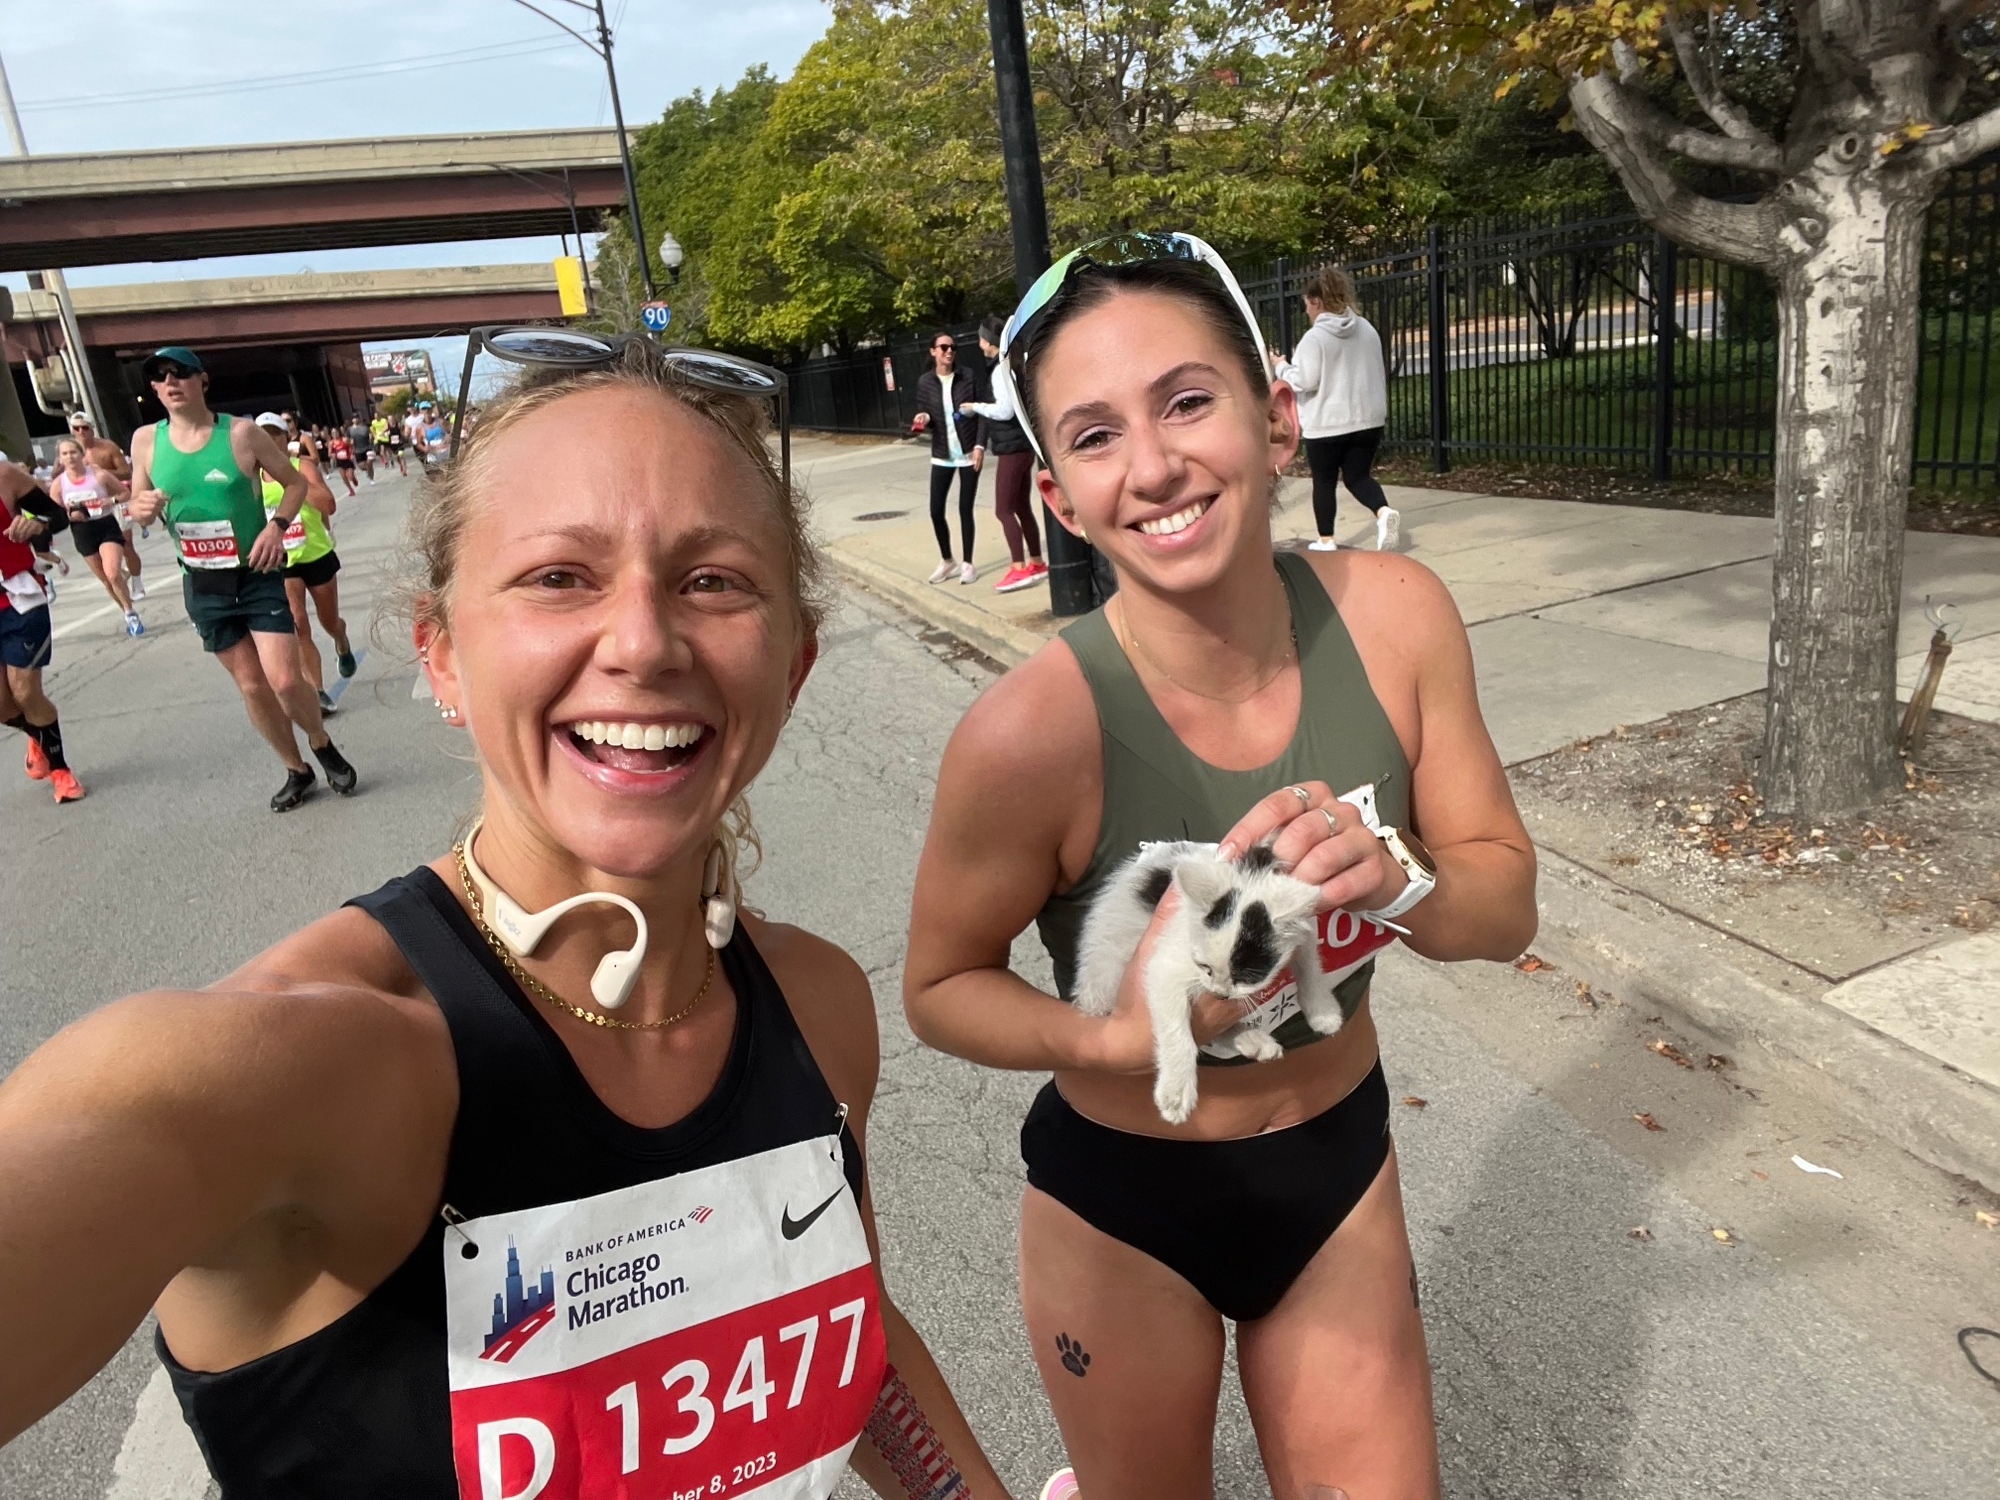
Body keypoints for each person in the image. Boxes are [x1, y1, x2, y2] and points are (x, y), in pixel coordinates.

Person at [0, 337, 1016, 1500]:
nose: (642, 642)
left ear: (789, 667)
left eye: (713, 581)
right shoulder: (289, 1065)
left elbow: (837, 1316)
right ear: (441, 655)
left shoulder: (820, 1006)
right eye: (558, 577)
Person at [903, 234, 1538, 1500]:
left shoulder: (1396, 618)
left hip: (1335, 1176)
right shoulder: (1029, 732)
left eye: (1186, 401)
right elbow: (938, 986)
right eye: (1089, 437)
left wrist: (1399, 876)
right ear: (1058, 498)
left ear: (1276, 416)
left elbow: (1504, 908)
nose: (1151, 466)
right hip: (1125, 1209)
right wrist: (1113, 1042)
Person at [126, 346, 359, 811]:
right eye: (160, 377)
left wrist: (276, 528)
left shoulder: (240, 433)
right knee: (252, 686)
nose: (170, 383)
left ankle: (319, 740)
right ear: (153, 388)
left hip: (256, 574)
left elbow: (294, 484)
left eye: (181, 374)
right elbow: (136, 504)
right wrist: (140, 508)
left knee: (286, 681)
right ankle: (296, 770)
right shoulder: (145, 441)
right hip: (203, 581)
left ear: (202, 381)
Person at [1274, 266, 1397, 552]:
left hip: (1327, 424)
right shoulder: (1366, 329)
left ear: (1316, 301)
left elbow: (1305, 380)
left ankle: (1326, 540)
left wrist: (1280, 366)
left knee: (1325, 482)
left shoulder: (1315, 339)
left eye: (1307, 305)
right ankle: (1383, 512)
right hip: (1368, 420)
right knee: (1358, 477)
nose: (1307, 312)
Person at [255, 413, 357, 710]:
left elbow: (329, 505)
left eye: (275, 435)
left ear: (285, 439)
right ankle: (317, 690)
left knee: (329, 621)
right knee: (299, 623)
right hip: (282, 559)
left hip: (316, 553)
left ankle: (341, 640)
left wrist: (294, 481)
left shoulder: (304, 467)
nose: (270, 441)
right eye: (263, 436)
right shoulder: (253, 477)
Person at [1, 459, 85, 802]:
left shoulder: (5, 476)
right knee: (3, 706)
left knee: (25, 692)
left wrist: (34, 527)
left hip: (19, 600)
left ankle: (61, 771)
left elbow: (58, 516)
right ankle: (39, 733)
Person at [959, 315, 1047, 594]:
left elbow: (1004, 410)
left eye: (981, 337)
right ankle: (1036, 561)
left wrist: (976, 407)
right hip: (1022, 447)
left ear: (988, 341)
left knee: (1003, 509)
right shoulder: (1012, 365)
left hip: (1011, 448)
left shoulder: (1000, 370)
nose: (978, 342)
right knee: (1021, 507)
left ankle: (1019, 567)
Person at [910, 332, 986, 586]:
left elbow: (982, 412)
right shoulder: (925, 382)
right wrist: (924, 419)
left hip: (967, 453)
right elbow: (926, 414)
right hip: (942, 454)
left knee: (965, 509)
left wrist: (980, 446)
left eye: (952, 347)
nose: (949, 351)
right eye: (943, 347)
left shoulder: (967, 376)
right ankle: (947, 560)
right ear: (933, 352)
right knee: (935, 510)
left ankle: (968, 564)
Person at [49, 437, 143, 636]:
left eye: (73, 452)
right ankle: (127, 610)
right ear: (60, 459)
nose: (70, 457)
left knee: (112, 573)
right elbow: (54, 514)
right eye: (64, 454)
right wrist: (69, 515)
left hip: (105, 526)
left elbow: (125, 493)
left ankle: (130, 610)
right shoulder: (59, 484)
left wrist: (110, 500)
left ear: (81, 454)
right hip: (82, 532)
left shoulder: (98, 474)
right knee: (107, 581)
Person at [68, 411, 145, 595]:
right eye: (76, 428)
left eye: (85, 428)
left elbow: (126, 472)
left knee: (126, 545)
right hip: (89, 507)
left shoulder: (107, 447)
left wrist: (101, 472)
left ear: (91, 429)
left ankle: (137, 579)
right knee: (100, 551)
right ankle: (118, 574)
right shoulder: (70, 453)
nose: (81, 432)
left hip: (115, 502)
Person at [326, 424, 359, 497]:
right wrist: (332, 455)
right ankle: (351, 490)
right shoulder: (331, 443)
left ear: (339, 432)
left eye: (336, 432)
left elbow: (352, 447)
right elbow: (329, 454)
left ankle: (353, 478)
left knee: (350, 476)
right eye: (333, 433)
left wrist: (352, 454)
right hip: (340, 461)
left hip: (347, 460)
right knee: (344, 477)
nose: (335, 434)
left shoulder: (344, 440)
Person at [347, 411, 375, 483]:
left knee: (369, 463)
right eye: (354, 418)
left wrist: (371, 438)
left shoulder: (365, 427)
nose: (355, 419)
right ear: (352, 420)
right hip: (358, 450)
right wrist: (350, 442)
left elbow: (371, 435)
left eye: (356, 418)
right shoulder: (350, 429)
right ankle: (368, 470)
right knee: (362, 467)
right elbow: (347, 439)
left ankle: (371, 479)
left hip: (367, 447)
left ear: (359, 419)